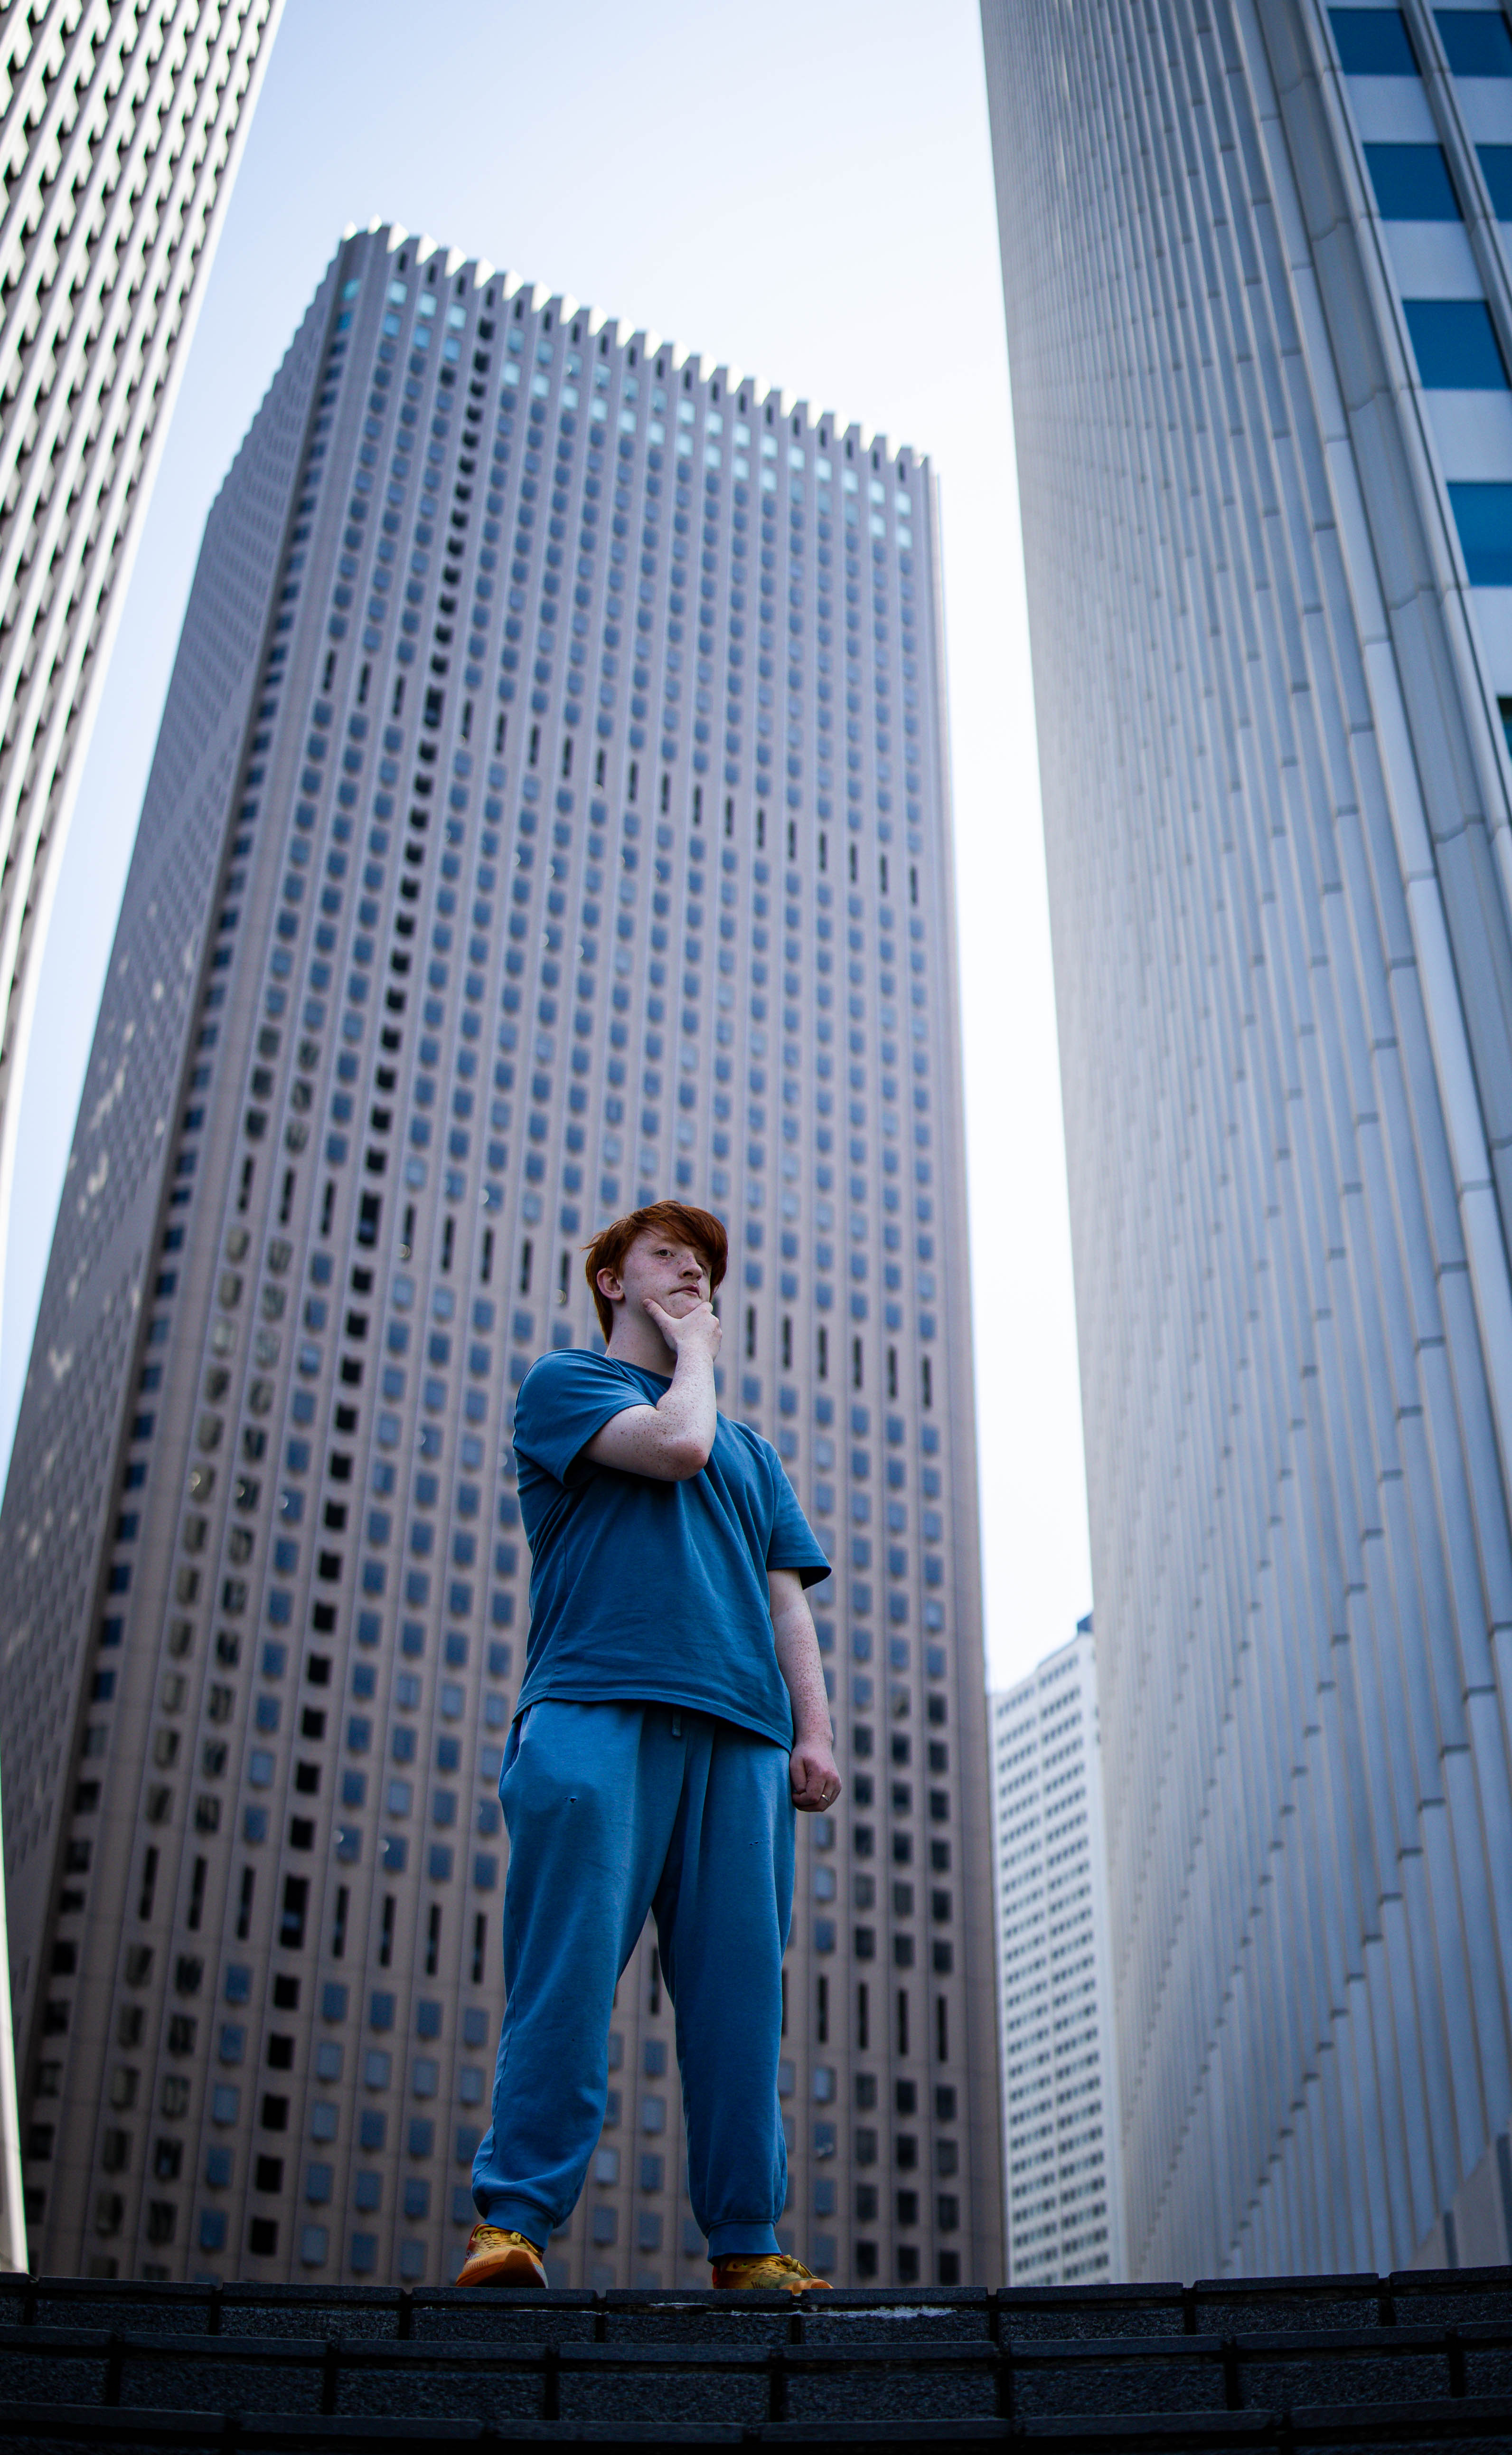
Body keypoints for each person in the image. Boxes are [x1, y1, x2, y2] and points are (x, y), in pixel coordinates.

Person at [455, 1200, 842, 2295]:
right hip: (594, 1706)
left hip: (742, 1736)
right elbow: (676, 1446)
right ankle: (515, 2223)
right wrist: (700, 1354)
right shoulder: (566, 1384)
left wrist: (812, 1732)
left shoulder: (756, 1454)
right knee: (566, 1971)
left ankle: (748, 2242)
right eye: (667, 1256)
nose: (691, 1273)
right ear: (615, 1283)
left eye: (706, 1267)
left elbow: (787, 1604)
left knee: (738, 2002)